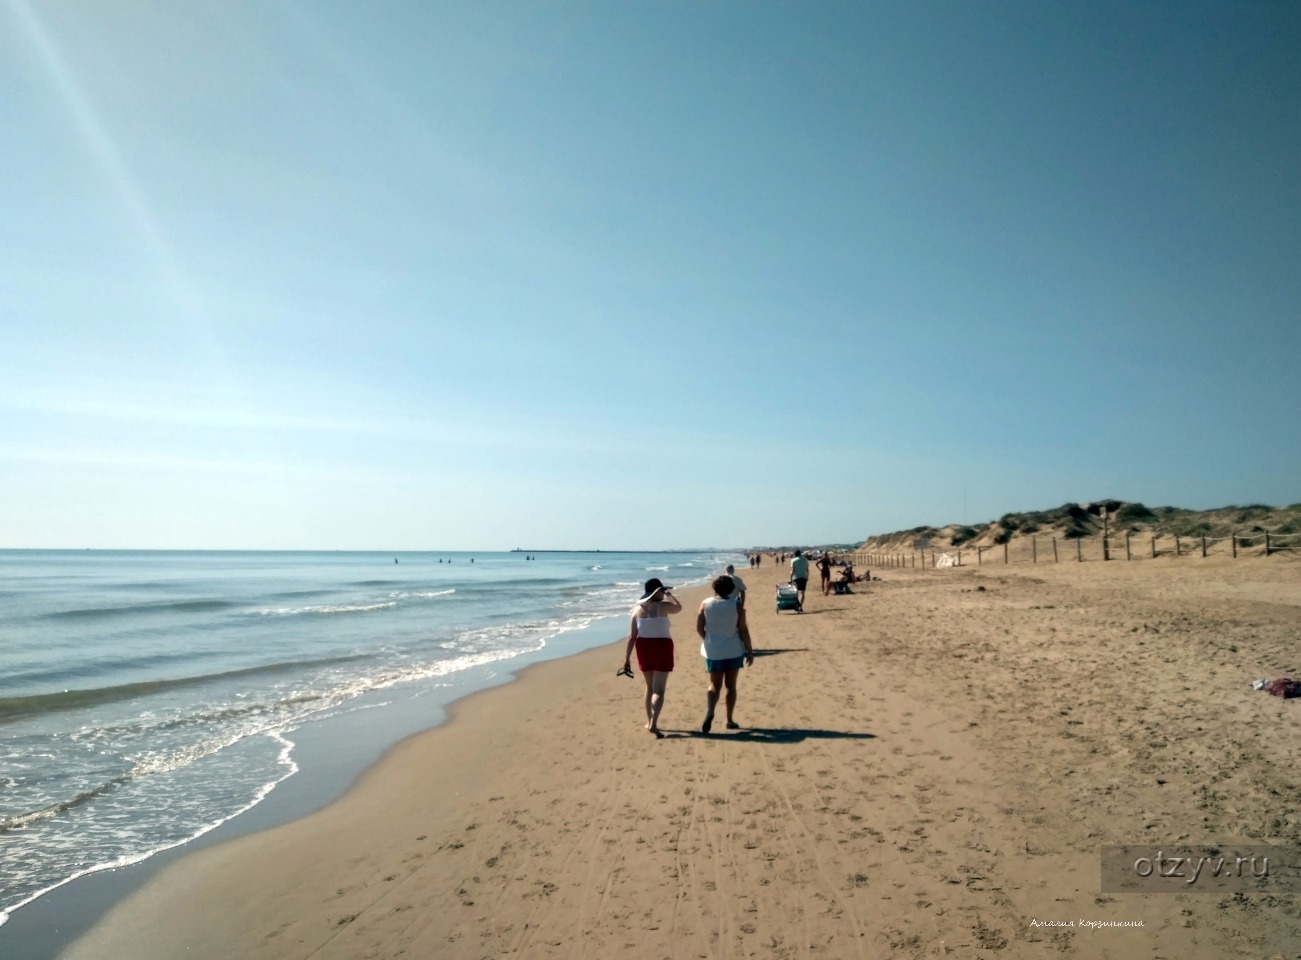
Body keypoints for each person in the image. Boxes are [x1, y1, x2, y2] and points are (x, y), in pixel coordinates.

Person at [622, 578, 682, 737]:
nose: (663, 593)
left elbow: (632, 637)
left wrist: (627, 659)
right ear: (657, 592)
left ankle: (649, 721)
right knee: (659, 690)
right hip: (662, 647)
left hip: (644, 648)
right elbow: (678, 607)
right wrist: (670, 595)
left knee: (649, 687)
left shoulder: (636, 610)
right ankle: (654, 724)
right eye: (662, 590)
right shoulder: (663, 606)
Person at [696, 575, 755, 732]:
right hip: (733, 649)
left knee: (715, 684)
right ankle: (729, 719)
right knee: (731, 686)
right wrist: (750, 651)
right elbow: (743, 629)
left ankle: (710, 711)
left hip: (714, 651)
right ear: (730, 589)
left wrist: (709, 639)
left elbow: (699, 627)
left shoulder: (706, 604)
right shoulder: (737, 606)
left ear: (714, 588)